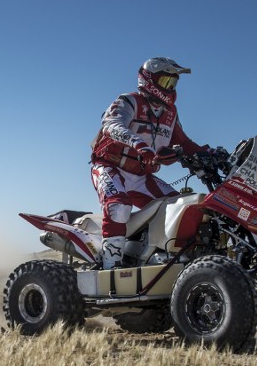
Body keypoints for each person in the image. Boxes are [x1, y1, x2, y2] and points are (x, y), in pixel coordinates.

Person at [90, 57, 210, 269]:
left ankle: (160, 259)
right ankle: (110, 267)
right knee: (118, 207)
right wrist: (139, 145)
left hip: (141, 176)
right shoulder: (129, 101)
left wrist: (207, 153)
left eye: (173, 83)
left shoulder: (170, 114)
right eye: (165, 82)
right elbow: (111, 125)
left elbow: (183, 141)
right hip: (110, 167)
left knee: (180, 208)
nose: (170, 88)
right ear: (148, 80)